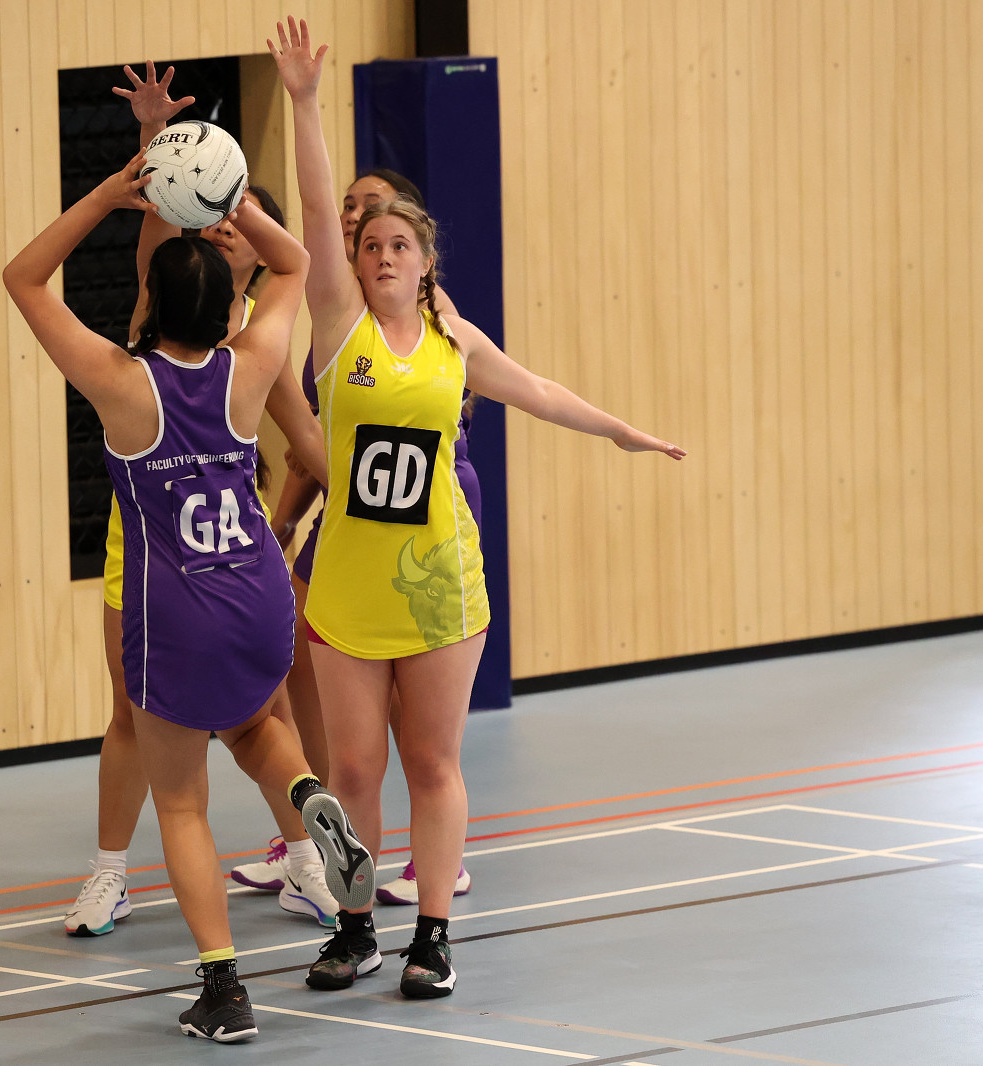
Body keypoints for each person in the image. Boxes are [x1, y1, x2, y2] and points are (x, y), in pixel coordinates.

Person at [270, 16, 684, 999]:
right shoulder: (337, 332)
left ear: (425, 260)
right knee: (352, 770)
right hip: (349, 586)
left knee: (431, 760)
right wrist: (304, 103)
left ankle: (434, 936)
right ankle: (355, 928)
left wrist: (622, 430)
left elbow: (539, 392)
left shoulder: (457, 344)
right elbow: (318, 211)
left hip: (439, 584)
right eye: (369, 244)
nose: (380, 254)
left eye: (398, 244)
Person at [5, 150, 375, 1043]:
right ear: (223, 311)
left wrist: (109, 194)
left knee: (181, 804)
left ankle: (222, 988)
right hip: (258, 595)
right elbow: (295, 263)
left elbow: (23, 278)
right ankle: (308, 797)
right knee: (255, 730)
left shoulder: (120, 383)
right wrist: (236, 200)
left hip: (176, 614)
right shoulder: (250, 367)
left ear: (150, 306)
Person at [64, 64, 343, 941]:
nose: (220, 230)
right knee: (137, 714)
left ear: (252, 249)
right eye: (212, 219)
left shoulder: (251, 339)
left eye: (232, 222)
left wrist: (313, 504)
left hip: (213, 556)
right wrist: (157, 144)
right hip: (159, 547)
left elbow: (307, 443)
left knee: (253, 719)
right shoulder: (176, 319)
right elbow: (158, 234)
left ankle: (304, 863)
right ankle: (111, 873)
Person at [237, 167, 477, 907]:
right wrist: (284, 520)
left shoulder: (432, 318)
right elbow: (315, 436)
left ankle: (433, 857)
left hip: (424, 514)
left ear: (420, 250)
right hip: (355, 508)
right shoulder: (340, 314)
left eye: (378, 217)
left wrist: (618, 431)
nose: (356, 220)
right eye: (352, 212)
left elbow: (524, 388)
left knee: (421, 725)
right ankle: (328, 843)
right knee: (334, 695)